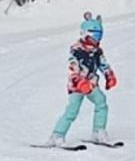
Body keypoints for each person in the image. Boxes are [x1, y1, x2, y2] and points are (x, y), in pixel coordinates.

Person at [47, 12, 118, 147]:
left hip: (91, 84)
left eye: (99, 35)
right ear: (85, 33)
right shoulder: (77, 49)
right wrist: (79, 81)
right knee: (72, 110)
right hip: (77, 85)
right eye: (95, 35)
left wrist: (109, 75)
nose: (97, 39)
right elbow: (73, 67)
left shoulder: (97, 51)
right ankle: (57, 136)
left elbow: (103, 63)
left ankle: (98, 131)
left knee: (101, 102)